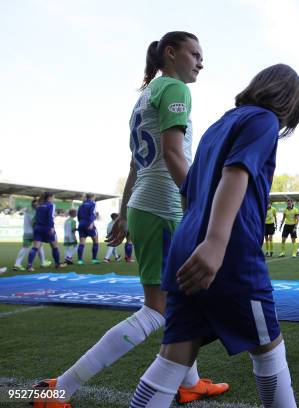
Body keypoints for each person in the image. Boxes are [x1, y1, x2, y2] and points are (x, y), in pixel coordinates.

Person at [32, 32, 226, 408]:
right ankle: (63, 387)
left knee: (183, 301)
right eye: (195, 54)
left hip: (145, 204)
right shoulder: (175, 90)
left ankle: (191, 382)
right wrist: (200, 203)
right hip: (163, 206)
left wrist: (123, 211)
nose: (201, 62)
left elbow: (136, 163)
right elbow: (172, 154)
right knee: (157, 309)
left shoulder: (143, 97)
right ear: (171, 53)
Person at [129, 63, 299, 408]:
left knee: (172, 359)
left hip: (186, 245)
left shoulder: (219, 123)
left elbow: (191, 188)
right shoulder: (263, 120)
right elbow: (236, 172)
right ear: (289, 103)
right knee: (269, 351)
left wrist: (199, 237)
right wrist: (215, 242)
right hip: (229, 254)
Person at [26, 192, 66, 271]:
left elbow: (36, 217)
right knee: (55, 246)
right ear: (50, 197)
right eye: (53, 197)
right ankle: (57, 264)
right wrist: (51, 227)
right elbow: (50, 217)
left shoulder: (39, 205)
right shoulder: (51, 205)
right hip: (47, 228)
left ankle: (29, 266)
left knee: (35, 247)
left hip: (38, 228)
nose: (54, 199)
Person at [13, 198, 51, 271]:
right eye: (39, 204)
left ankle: (17, 264)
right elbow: (34, 222)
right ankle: (42, 263)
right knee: (39, 246)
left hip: (26, 232)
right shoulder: (34, 212)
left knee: (25, 247)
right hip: (34, 232)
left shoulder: (28, 211)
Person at [76, 193, 99, 265]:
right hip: (89, 224)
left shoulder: (82, 204)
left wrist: (81, 223)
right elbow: (92, 213)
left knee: (82, 242)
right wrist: (91, 223)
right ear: (93, 197)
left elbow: (78, 215)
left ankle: (80, 260)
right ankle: (94, 259)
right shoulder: (93, 203)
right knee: (95, 241)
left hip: (81, 224)